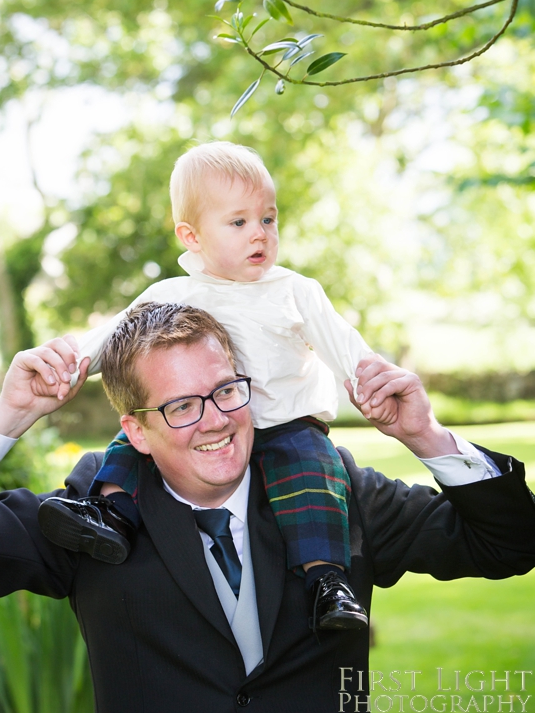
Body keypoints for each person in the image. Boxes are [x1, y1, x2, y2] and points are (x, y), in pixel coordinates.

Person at [0, 302, 534, 713]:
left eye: (227, 390)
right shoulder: (92, 511)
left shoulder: (333, 490)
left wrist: (425, 435)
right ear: (137, 431)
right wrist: (7, 416)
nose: (216, 419)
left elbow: (509, 543)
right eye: (181, 405)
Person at [40, 140, 377, 630]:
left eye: (268, 218)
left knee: (315, 478)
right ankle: (111, 513)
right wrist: (67, 364)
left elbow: (346, 347)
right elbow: (112, 336)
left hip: (286, 425)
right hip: (197, 420)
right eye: (238, 222)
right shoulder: (172, 294)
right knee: (135, 439)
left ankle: (327, 582)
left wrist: (374, 382)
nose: (259, 233)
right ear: (191, 236)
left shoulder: (294, 291)